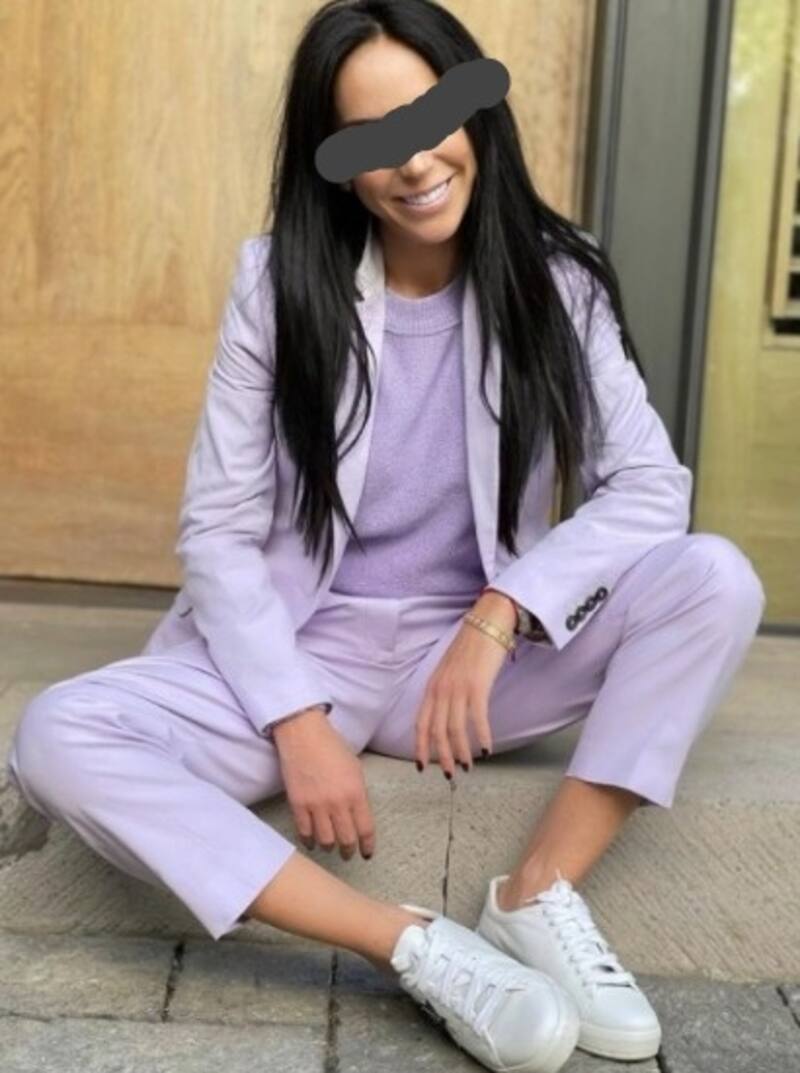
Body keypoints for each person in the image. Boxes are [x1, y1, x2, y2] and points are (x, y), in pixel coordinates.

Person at [5, 2, 766, 1071]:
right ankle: (412, 944)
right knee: (58, 733)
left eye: (428, 116)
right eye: (370, 138)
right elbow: (218, 529)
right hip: (305, 645)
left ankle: (535, 894)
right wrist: (295, 719)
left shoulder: (560, 277)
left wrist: (499, 615)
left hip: (468, 675)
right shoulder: (278, 283)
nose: (411, 162)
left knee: (714, 578)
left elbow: (647, 486)